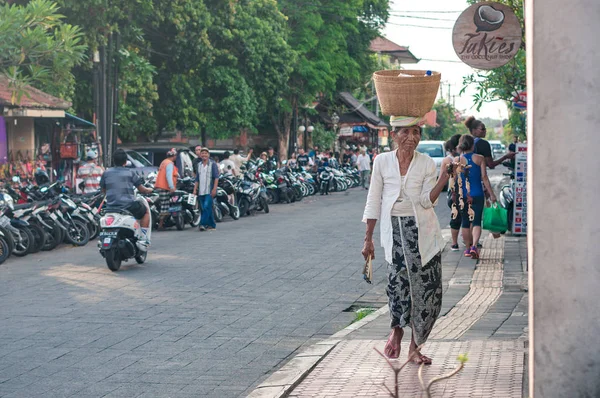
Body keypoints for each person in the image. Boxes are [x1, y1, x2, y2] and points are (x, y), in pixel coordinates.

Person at [362, 123, 450, 364]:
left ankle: (415, 347)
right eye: (405, 132)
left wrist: (443, 177)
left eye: (416, 133)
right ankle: (397, 330)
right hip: (394, 234)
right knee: (397, 287)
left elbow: (426, 201)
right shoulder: (382, 161)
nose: (412, 138)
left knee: (428, 293)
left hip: (423, 235)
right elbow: (374, 199)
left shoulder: (426, 163)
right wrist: (368, 239)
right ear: (394, 135)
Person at [100, 149, 153, 249]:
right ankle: (144, 239)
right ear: (125, 161)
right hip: (127, 206)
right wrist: (150, 190)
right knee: (145, 212)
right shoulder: (130, 173)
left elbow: (103, 190)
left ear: (114, 161)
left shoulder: (106, 173)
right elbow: (142, 189)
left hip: (110, 207)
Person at [456, 134, 497, 259]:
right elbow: (484, 177)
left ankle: (467, 249)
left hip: (463, 195)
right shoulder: (480, 158)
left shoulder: (458, 160)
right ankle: (474, 246)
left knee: (465, 222)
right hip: (477, 194)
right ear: (473, 145)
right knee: (476, 221)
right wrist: (491, 194)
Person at [441, 134, 462, 251]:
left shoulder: (448, 160)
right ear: (455, 147)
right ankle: (460, 242)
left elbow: (441, 178)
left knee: (456, 217)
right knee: (460, 217)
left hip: (452, 193)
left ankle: (455, 243)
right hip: (456, 192)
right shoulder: (452, 160)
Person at [193, 147, 219, 231]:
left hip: (209, 190)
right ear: (200, 155)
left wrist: (214, 189)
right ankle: (212, 224)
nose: (204, 155)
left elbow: (216, 177)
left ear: (208, 155)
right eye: (202, 153)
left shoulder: (212, 164)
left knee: (206, 206)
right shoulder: (199, 165)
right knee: (205, 208)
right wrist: (194, 189)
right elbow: (197, 179)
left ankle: (202, 224)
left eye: (205, 153)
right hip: (201, 190)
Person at [155, 148, 179, 229]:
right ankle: (160, 225)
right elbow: (168, 176)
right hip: (165, 187)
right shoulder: (169, 163)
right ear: (174, 156)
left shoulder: (164, 162)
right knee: (165, 206)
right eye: (175, 156)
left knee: (164, 205)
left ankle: (163, 223)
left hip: (160, 186)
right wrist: (172, 187)